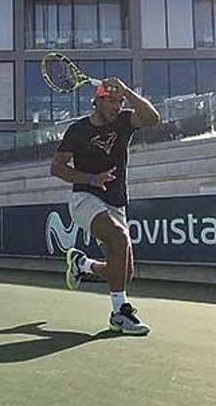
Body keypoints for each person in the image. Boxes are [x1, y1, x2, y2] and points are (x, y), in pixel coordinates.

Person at [50, 78, 161, 335]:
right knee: (120, 237)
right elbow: (56, 167)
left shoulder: (124, 121)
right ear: (98, 100)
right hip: (85, 199)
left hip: (115, 202)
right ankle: (119, 314)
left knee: (123, 272)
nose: (117, 105)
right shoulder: (77, 130)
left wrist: (127, 91)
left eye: (120, 101)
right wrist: (90, 179)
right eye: (112, 100)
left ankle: (82, 264)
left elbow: (153, 118)